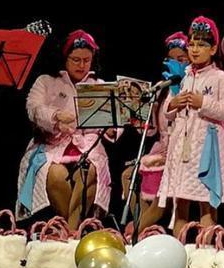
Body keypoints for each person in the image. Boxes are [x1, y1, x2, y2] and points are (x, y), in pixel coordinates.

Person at [16, 31, 119, 229]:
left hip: (87, 148)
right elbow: (34, 109)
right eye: (76, 60)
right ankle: (73, 230)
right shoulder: (46, 81)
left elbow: (114, 121)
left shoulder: (98, 86)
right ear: (65, 58)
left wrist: (113, 130)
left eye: (86, 60)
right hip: (51, 147)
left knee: (89, 172)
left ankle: (68, 232)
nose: (81, 65)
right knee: (54, 174)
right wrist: (56, 116)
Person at [158, 18, 224, 237]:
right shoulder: (182, 76)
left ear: (213, 49)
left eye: (201, 45)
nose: (195, 49)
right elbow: (169, 111)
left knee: (206, 200)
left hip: (207, 147)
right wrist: (171, 105)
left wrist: (203, 103)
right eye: (192, 44)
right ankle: (179, 250)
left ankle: (207, 248)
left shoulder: (220, 77)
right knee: (180, 197)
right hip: (182, 147)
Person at [121, 31, 189, 232]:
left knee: (162, 191)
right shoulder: (163, 89)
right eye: (171, 60)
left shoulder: (190, 86)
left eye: (181, 59)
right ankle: (143, 226)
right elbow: (153, 131)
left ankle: (136, 230)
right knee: (128, 175)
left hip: (179, 151)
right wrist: (137, 118)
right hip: (161, 149)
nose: (175, 64)